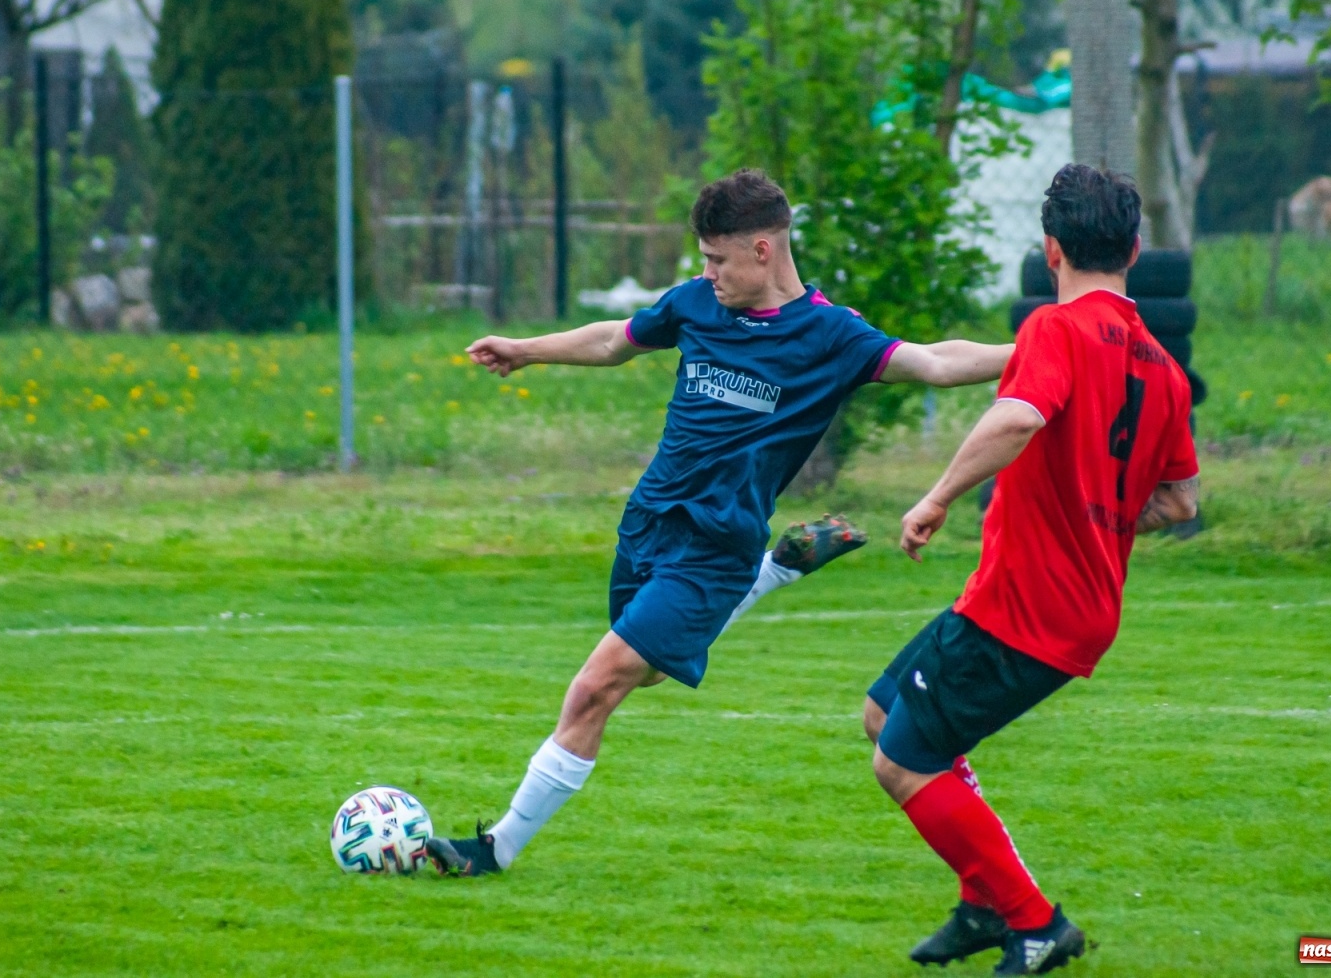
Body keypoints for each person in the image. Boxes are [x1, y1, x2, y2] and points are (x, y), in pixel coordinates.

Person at [425, 169, 1014, 877]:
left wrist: (1038, 353)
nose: (707, 273)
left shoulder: (827, 335)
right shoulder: (698, 305)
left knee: (596, 686)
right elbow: (617, 339)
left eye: (718, 259)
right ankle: (776, 573)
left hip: (714, 549)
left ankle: (493, 850)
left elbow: (936, 364)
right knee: (642, 677)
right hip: (648, 524)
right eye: (703, 260)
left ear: (763, 250)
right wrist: (526, 349)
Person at [867, 164, 1200, 975]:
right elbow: (1183, 500)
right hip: (1070, 604)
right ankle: (983, 903)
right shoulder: (1162, 366)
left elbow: (1016, 417)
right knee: (885, 715)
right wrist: (1106, 510)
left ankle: (1033, 920)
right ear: (1134, 247)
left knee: (903, 763)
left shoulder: (1055, 330)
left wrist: (938, 495)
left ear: (1051, 250)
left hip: (1026, 606)